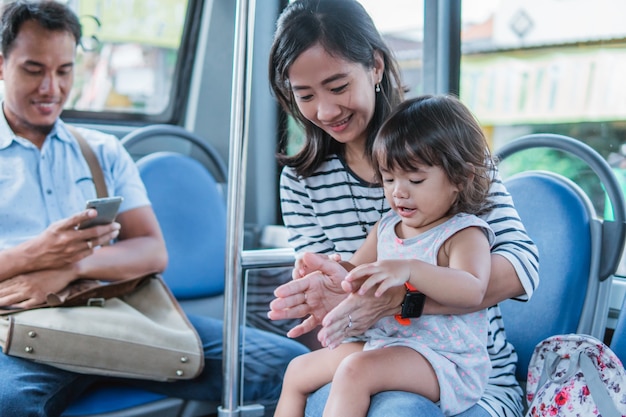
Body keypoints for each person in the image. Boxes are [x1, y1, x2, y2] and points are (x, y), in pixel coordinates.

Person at [0, 2, 307, 416]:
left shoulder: (102, 152)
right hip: (22, 332)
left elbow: (151, 251)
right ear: (2, 65)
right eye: (34, 70)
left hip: (118, 314)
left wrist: (72, 267)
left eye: (64, 71)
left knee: (291, 367)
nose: (50, 88)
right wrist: (37, 254)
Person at [267, 1, 539, 416]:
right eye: (305, 95)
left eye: (338, 87)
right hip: (373, 351)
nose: (324, 111)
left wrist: (401, 298)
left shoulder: (445, 152)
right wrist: (329, 292)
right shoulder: (302, 183)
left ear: (375, 66)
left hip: (468, 372)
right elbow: (346, 299)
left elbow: (521, 269)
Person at [275, 95, 496, 417]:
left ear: (461, 179)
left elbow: (472, 289)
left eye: (415, 180)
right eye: (389, 179)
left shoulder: (463, 233)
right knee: (298, 370)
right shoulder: (387, 227)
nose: (398, 192)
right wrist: (326, 273)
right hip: (388, 344)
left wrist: (411, 270)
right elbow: (354, 271)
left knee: (355, 371)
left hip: (445, 359)